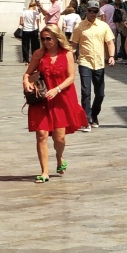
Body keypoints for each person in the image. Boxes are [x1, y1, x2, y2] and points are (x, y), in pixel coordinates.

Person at [23, 24, 88, 182]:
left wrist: (57, 89)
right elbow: (27, 73)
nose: (45, 42)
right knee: (41, 135)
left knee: (59, 138)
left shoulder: (67, 54)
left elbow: (71, 77)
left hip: (61, 99)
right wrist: (26, 82)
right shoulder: (39, 54)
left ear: (57, 38)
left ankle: (59, 158)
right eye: (43, 39)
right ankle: (44, 171)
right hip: (42, 100)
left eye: (48, 38)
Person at [71, 4, 116, 127]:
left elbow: (110, 42)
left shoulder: (103, 26)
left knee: (100, 94)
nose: (92, 13)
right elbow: (73, 45)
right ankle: (86, 118)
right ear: (86, 11)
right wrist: (70, 59)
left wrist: (111, 56)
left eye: (95, 11)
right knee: (86, 91)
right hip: (85, 62)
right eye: (90, 11)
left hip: (100, 63)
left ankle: (94, 114)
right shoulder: (79, 27)